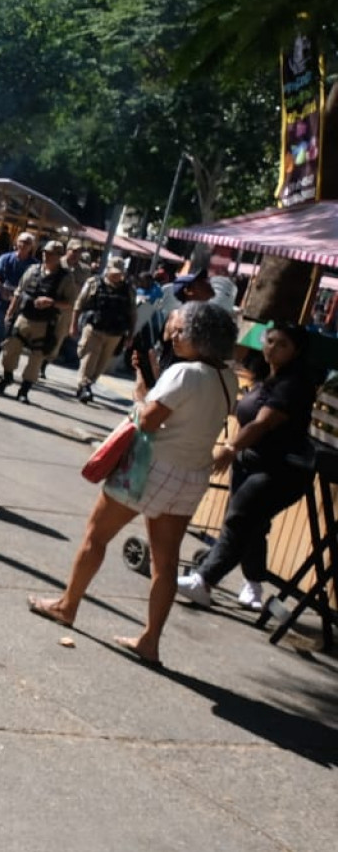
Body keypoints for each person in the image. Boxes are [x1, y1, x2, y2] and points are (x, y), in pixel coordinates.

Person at [28, 301, 239, 668]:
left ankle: (67, 605)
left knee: (96, 536)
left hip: (150, 469)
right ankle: (150, 640)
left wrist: (143, 392)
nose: (171, 337)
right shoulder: (228, 378)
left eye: (176, 331)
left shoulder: (186, 373)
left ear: (196, 337)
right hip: (191, 476)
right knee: (166, 561)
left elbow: (149, 421)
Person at [177, 322, 319, 611]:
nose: (273, 349)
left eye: (283, 345)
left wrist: (230, 448)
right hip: (250, 462)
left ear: (297, 351)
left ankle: (203, 580)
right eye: (270, 341)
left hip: (280, 470)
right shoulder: (267, 377)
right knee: (252, 526)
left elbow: (263, 423)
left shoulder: (294, 384)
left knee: (240, 520)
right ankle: (253, 586)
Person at [0, 240, 80, 403]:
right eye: (45, 252)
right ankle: (7, 377)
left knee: (37, 357)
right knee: (9, 348)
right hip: (24, 317)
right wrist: (10, 312)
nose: (46, 256)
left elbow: (70, 302)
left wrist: (52, 302)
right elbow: (19, 292)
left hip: (45, 323)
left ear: (59, 256)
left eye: (51, 254)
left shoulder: (66, 278)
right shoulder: (33, 270)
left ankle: (24, 389)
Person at [71, 258, 137, 403]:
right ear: (107, 270)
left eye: (119, 274)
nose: (116, 276)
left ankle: (87, 385)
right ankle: (84, 385)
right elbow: (79, 305)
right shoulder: (94, 283)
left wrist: (130, 335)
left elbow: (132, 313)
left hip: (115, 333)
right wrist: (73, 325)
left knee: (102, 364)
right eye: (114, 273)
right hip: (94, 328)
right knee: (89, 358)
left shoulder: (128, 290)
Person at [0, 233, 38, 371]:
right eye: (22, 242)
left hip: (20, 303)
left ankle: (5, 362)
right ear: (16, 242)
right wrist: (1, 289)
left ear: (32, 246)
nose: (24, 245)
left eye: (27, 243)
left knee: (11, 335)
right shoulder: (5, 258)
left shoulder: (35, 265)